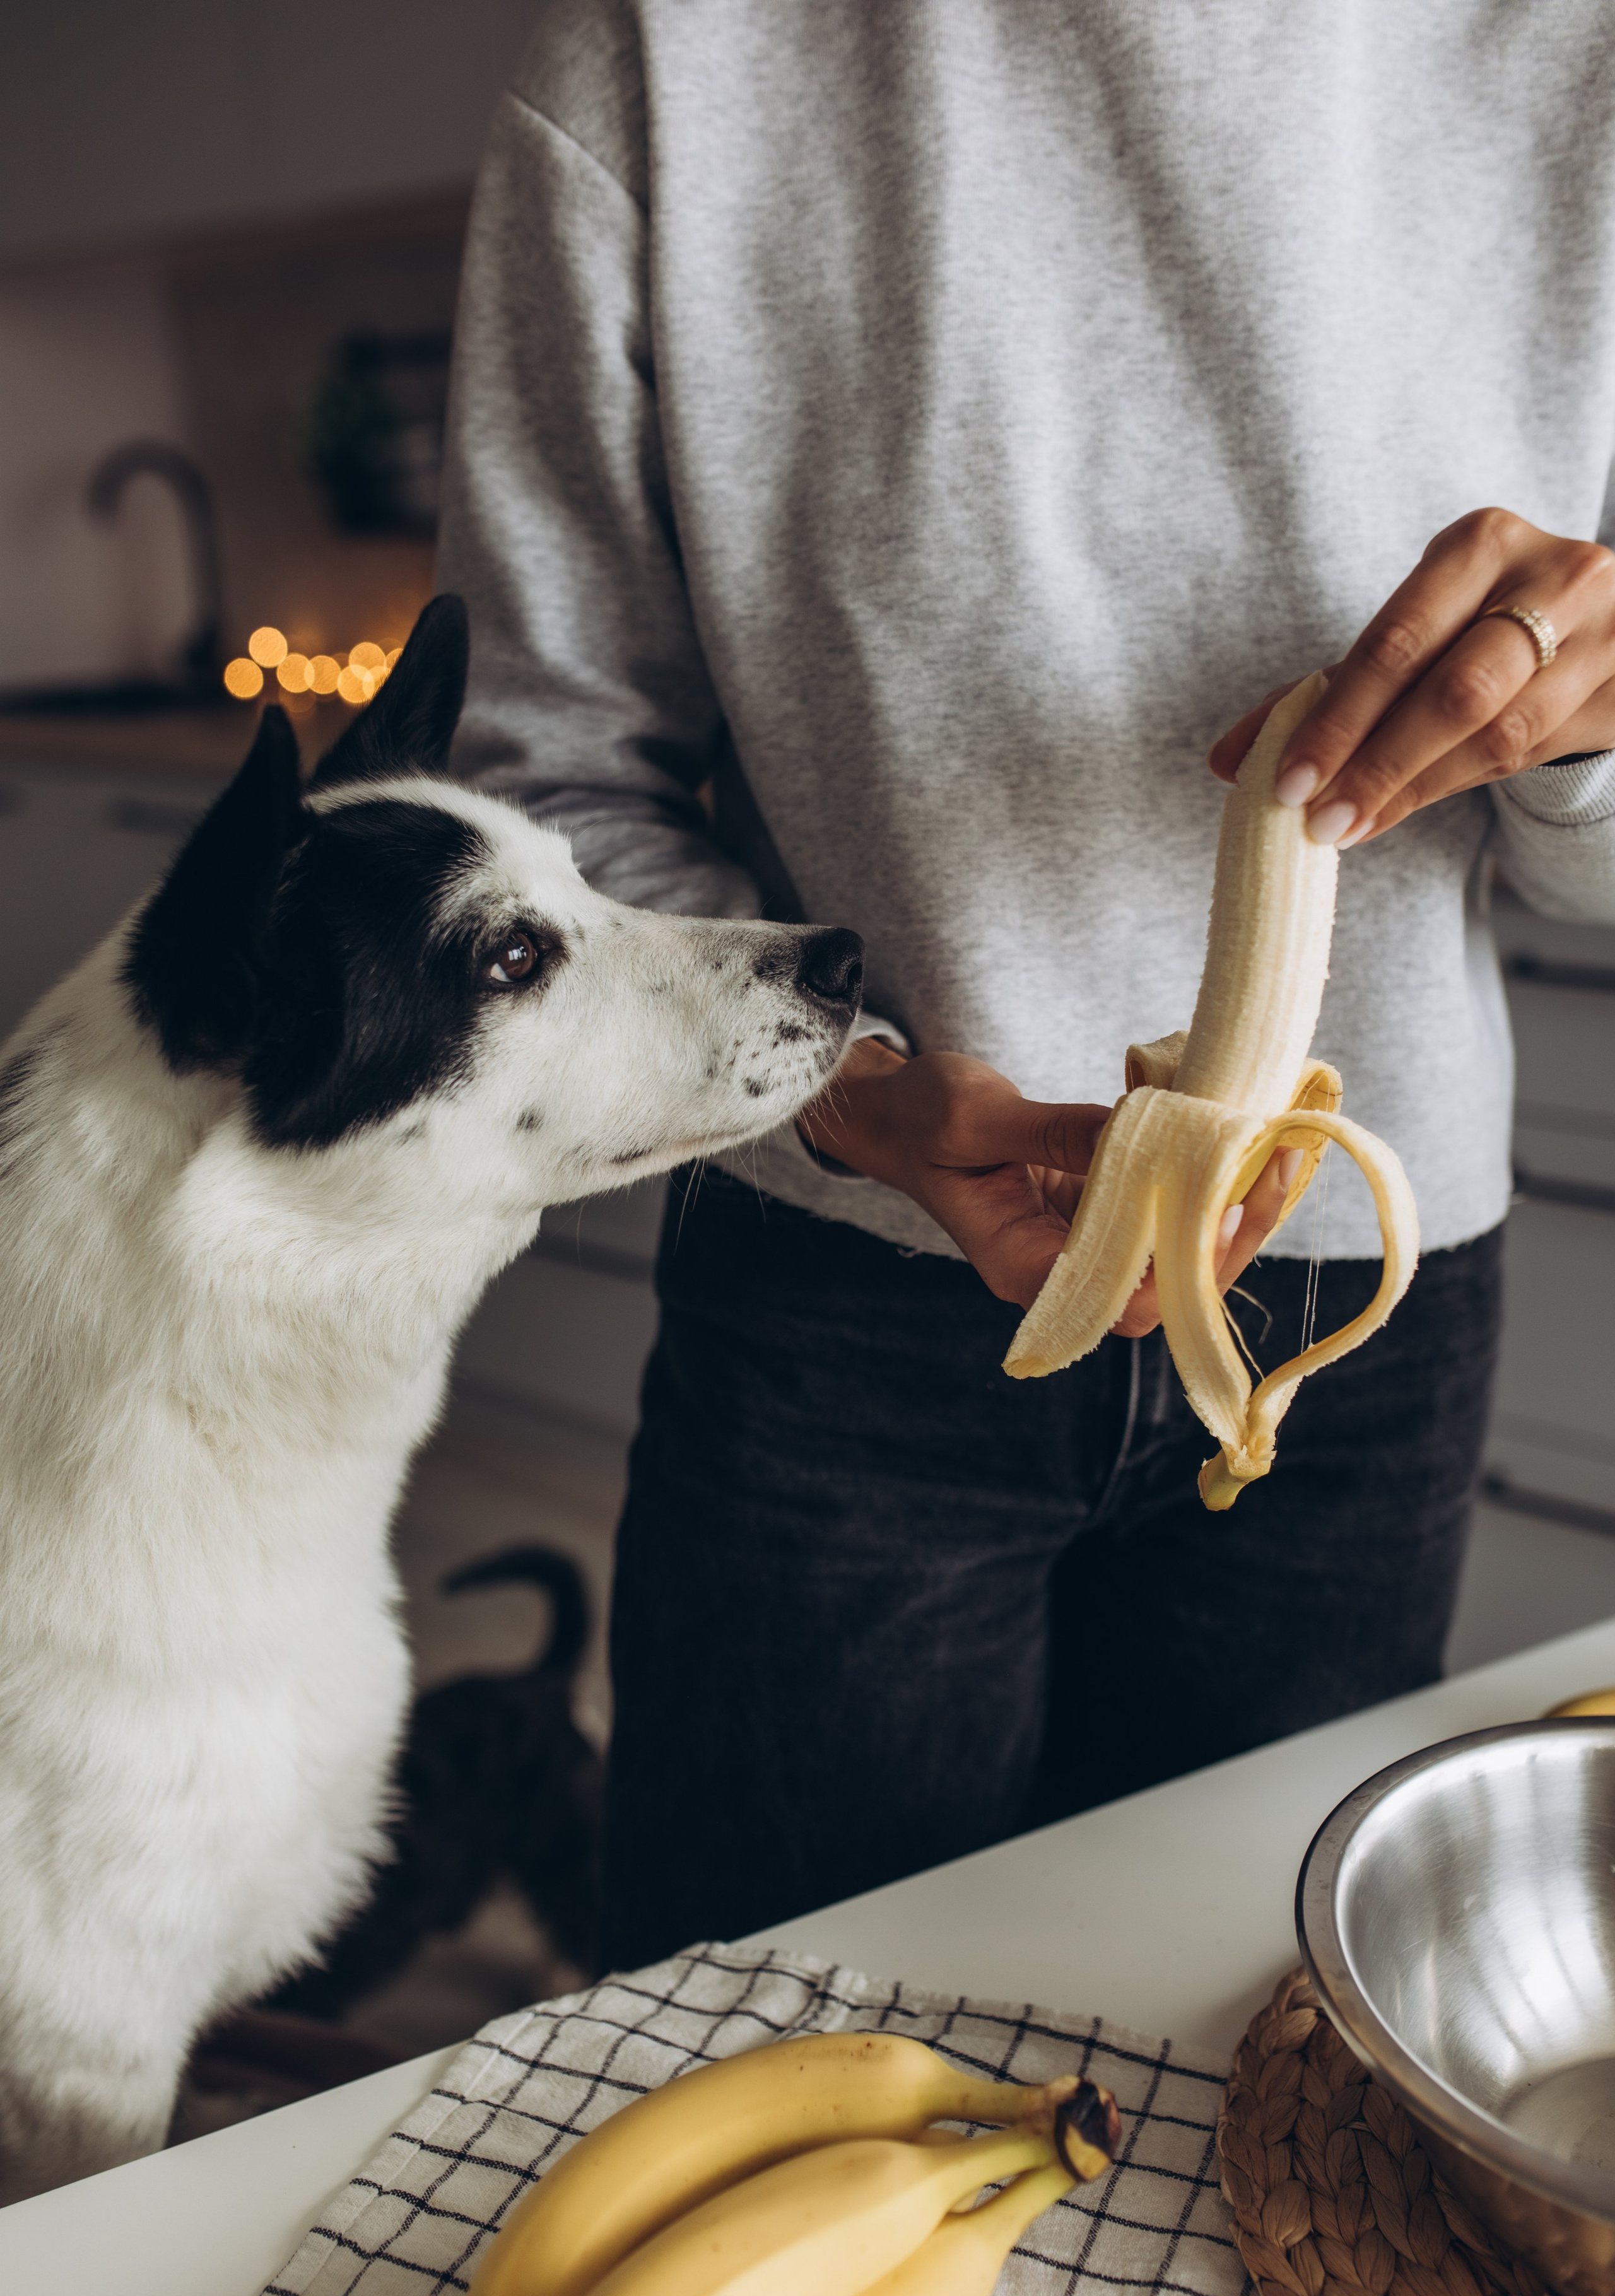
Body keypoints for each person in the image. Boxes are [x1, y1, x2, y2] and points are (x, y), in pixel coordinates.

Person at [435, 0, 1615, 1971]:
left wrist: (1583, 725)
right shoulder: (663, 56)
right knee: (761, 2053)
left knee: (1248, 2079)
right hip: (837, 1297)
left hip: (1354, 1352)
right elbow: (539, 775)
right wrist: (848, 1092)